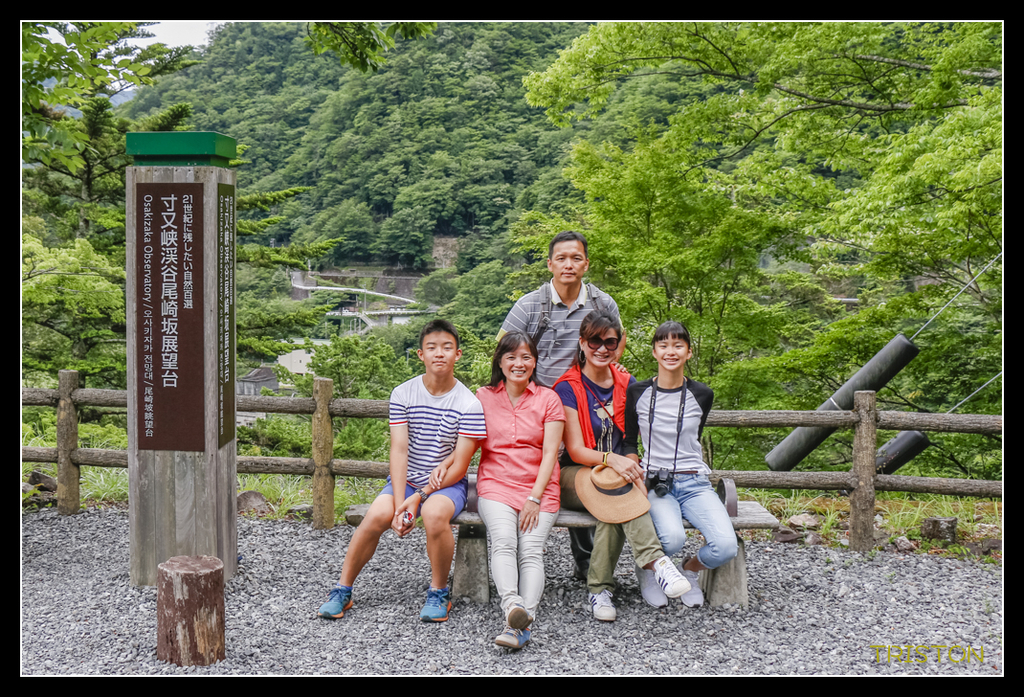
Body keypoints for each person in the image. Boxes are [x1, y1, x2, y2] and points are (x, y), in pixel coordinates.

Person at [317, 319, 487, 623]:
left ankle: (438, 592)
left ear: (457, 354)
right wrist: (400, 503)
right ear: (420, 354)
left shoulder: (469, 404)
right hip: (405, 481)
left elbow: (460, 465)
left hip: (446, 485)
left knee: (435, 515)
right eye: (431, 347)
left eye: (447, 348)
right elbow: (399, 450)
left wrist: (420, 497)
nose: (439, 354)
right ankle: (343, 589)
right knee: (376, 516)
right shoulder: (404, 393)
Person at [498, 230, 624, 581]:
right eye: (562, 258)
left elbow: (616, 340)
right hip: (535, 406)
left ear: (586, 263)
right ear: (550, 263)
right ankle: (514, 551)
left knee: (581, 473)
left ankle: (587, 564)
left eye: (576, 258)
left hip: (581, 403)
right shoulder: (529, 305)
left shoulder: (603, 304)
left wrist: (611, 367)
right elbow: (505, 351)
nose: (569, 265)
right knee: (523, 472)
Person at [552, 312, 691, 621]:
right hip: (575, 473)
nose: (602, 348)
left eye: (610, 342)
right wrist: (612, 460)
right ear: (583, 343)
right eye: (595, 341)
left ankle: (599, 590)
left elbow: (630, 441)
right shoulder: (567, 387)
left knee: (612, 506)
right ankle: (657, 563)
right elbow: (575, 449)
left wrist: (630, 466)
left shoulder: (627, 383)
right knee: (613, 490)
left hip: (618, 477)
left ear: (619, 345)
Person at [440, 331, 563, 649]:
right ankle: (513, 608)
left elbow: (550, 453)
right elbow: (469, 441)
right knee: (505, 543)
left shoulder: (548, 399)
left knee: (531, 550)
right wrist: (448, 464)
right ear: (500, 361)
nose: (519, 363)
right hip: (495, 485)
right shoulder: (483, 396)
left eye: (526, 357)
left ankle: (522, 621)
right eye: (511, 357)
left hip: (540, 489)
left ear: (534, 362)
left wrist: (535, 498)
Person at [623, 321, 737, 609]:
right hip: (655, 483)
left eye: (678, 345)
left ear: (688, 352)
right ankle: (649, 574)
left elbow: (693, 438)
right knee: (671, 540)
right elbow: (628, 442)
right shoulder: (637, 392)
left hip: (695, 483)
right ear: (654, 352)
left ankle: (689, 569)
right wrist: (634, 475)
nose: (670, 351)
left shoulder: (702, 394)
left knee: (725, 547)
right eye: (663, 345)